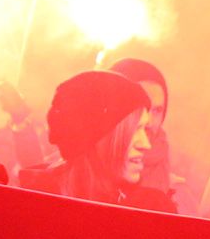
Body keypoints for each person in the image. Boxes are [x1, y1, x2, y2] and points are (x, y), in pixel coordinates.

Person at [17, 70, 155, 205]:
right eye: (135, 130)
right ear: (95, 138)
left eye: (144, 129)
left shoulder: (152, 209)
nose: (145, 144)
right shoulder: (34, 207)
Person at [108, 57, 182, 212]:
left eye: (157, 110)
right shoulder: (72, 177)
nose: (148, 121)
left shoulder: (177, 189)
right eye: (143, 107)